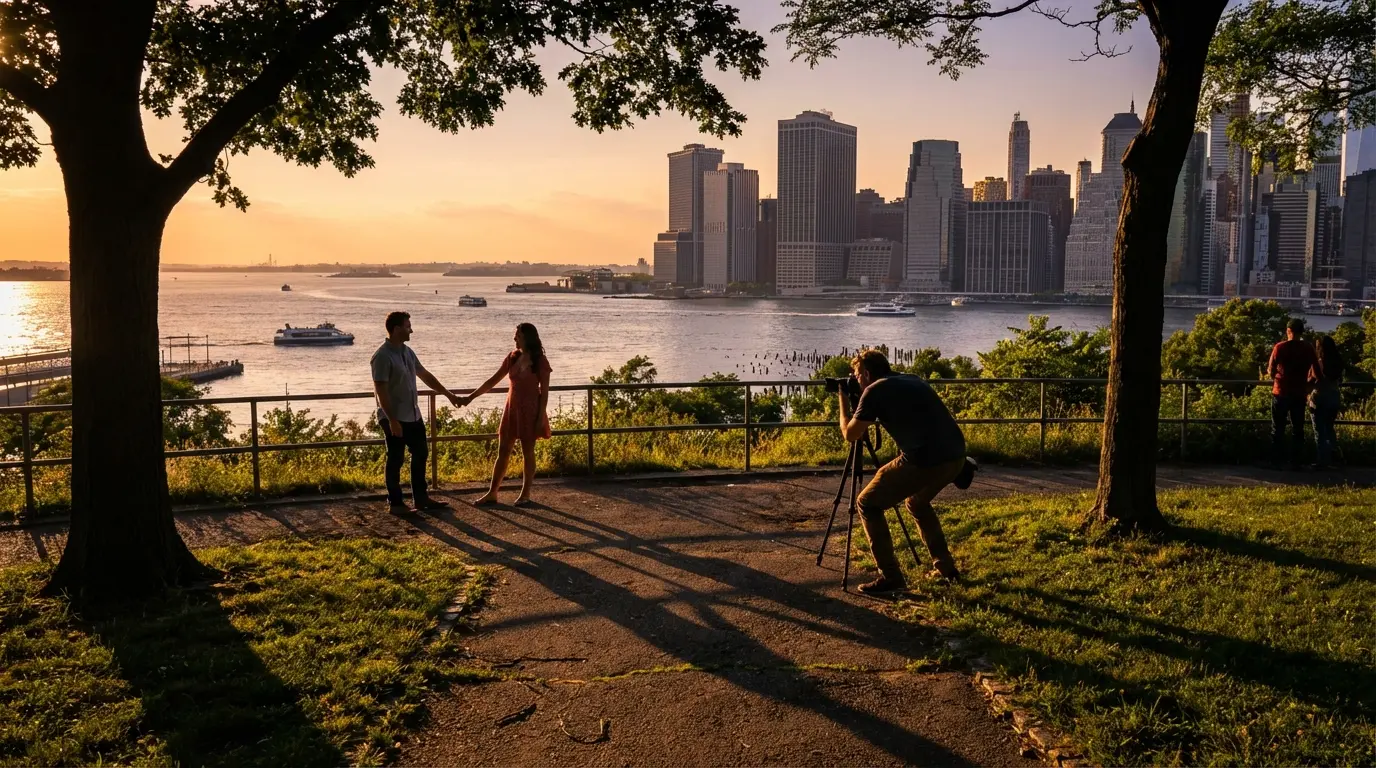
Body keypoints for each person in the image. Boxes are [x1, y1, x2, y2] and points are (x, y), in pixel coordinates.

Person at [838, 349, 967, 594]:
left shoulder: (873, 391)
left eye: (856, 375)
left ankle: (891, 577)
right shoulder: (913, 378)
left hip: (924, 461)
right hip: (956, 455)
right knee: (917, 503)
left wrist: (843, 401)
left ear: (866, 373)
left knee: (867, 503)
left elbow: (851, 434)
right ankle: (946, 567)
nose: (855, 379)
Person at [371, 311, 463, 514]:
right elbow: (381, 390)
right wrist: (392, 420)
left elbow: (425, 376)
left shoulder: (408, 352)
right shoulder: (382, 356)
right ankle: (395, 504)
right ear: (396, 329)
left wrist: (448, 394)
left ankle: (421, 499)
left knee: (421, 453)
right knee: (395, 458)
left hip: (413, 414)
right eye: (407, 326)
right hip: (393, 416)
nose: (411, 329)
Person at [463, 323, 553, 506]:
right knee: (503, 450)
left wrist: (540, 417)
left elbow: (544, 392)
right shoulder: (512, 358)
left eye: (518, 336)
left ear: (527, 337)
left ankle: (525, 494)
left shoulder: (540, 361)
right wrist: (471, 397)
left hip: (531, 410)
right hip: (512, 409)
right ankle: (492, 492)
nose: (514, 339)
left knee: (528, 452)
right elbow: (494, 380)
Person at [1267, 317, 1318, 470]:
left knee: (1278, 428)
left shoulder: (1280, 347)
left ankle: (1276, 461)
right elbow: (1316, 371)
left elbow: (1271, 369)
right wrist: (1309, 386)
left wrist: (1275, 379)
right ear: (1301, 332)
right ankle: (1296, 461)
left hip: (1281, 392)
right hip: (1299, 393)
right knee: (1298, 429)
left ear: (1288, 331)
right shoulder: (1308, 348)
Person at [1310, 334, 1344, 469]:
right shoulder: (1338, 363)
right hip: (1334, 396)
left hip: (1320, 397)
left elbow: (1313, 380)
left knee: (1319, 430)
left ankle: (1322, 461)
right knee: (1329, 429)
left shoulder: (1319, 362)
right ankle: (1337, 458)